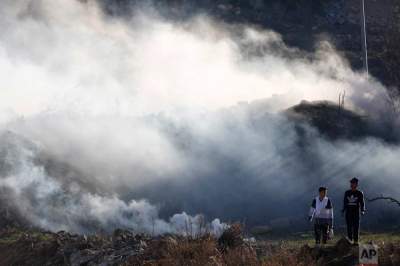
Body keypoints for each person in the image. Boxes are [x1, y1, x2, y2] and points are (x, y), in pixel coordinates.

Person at [342, 177, 366, 245]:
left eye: (354, 183)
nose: (352, 185)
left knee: (356, 226)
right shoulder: (347, 192)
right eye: (351, 183)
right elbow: (345, 202)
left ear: (356, 185)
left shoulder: (359, 193)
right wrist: (343, 209)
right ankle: (350, 240)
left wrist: (363, 210)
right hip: (348, 212)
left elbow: (362, 202)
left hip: (356, 212)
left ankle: (356, 241)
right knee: (349, 226)